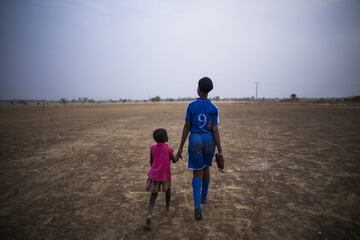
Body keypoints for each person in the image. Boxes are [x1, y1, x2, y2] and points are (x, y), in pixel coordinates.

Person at [176, 77, 224, 220]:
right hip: (209, 141)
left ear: (198, 89)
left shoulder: (191, 106)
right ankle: (204, 197)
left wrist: (180, 148)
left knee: (197, 172)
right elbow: (215, 130)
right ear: (209, 91)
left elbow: (186, 127)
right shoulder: (214, 108)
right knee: (206, 167)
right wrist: (220, 150)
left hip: (195, 139)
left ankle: (197, 206)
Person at [145, 128, 178, 230]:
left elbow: (151, 161)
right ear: (164, 138)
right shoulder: (168, 149)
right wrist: (179, 154)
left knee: (153, 195)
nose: (167, 136)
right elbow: (175, 160)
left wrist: (156, 168)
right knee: (168, 191)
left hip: (154, 175)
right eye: (166, 135)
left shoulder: (152, 148)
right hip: (165, 175)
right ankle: (167, 208)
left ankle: (149, 215)